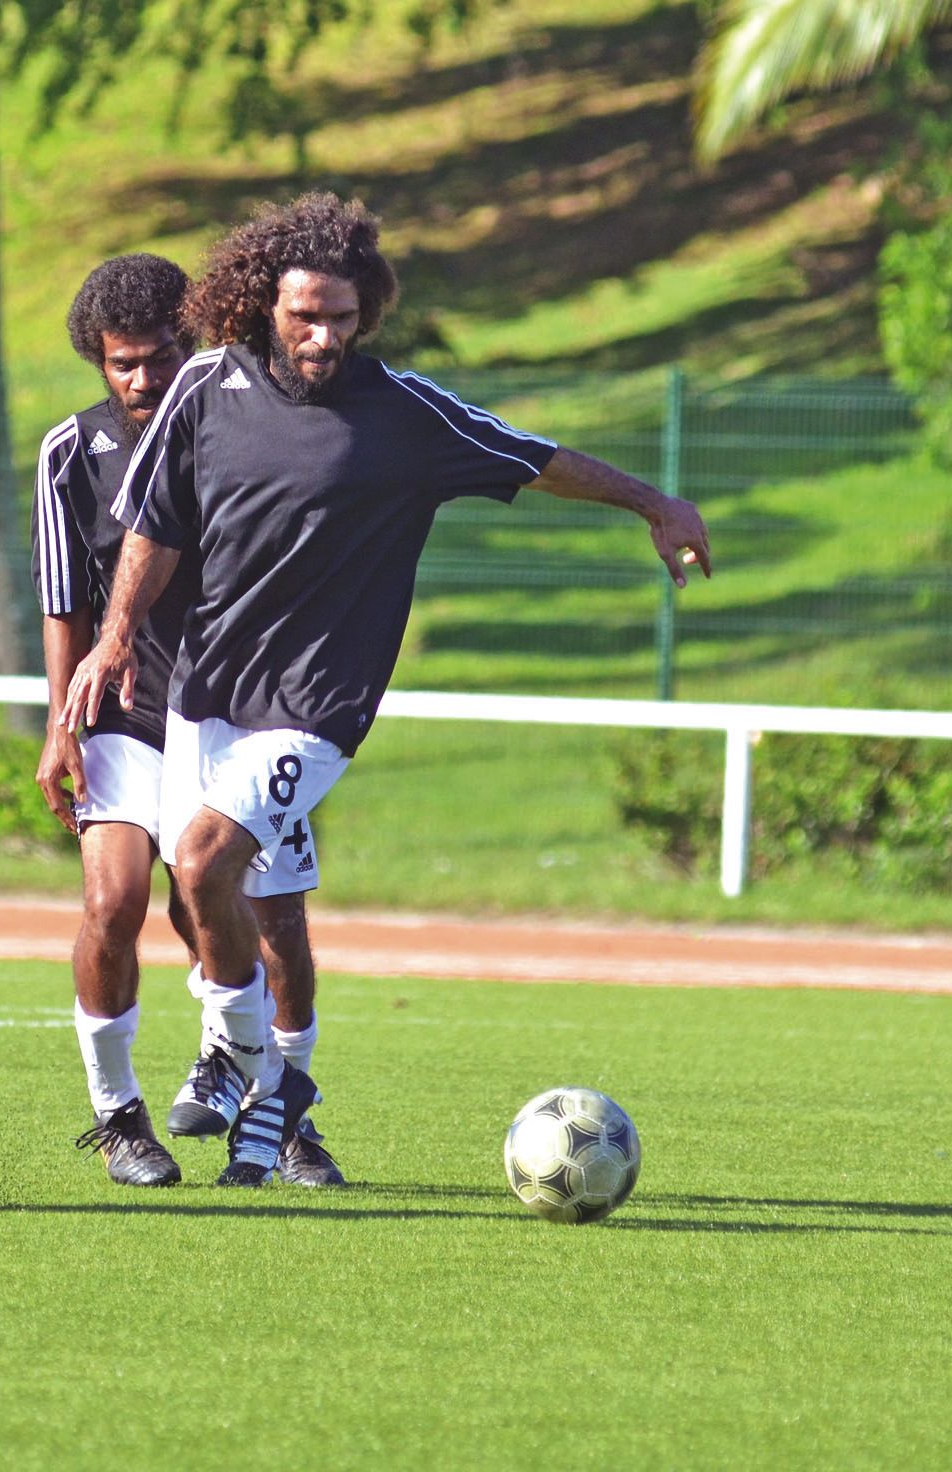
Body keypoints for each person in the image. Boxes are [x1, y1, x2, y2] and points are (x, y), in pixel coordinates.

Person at [61, 194, 712, 1178]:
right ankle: (271, 1093)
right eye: (304, 315)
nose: (323, 335)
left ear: (366, 311)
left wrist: (652, 502)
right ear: (263, 303)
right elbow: (154, 524)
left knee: (201, 865)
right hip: (206, 691)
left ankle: (241, 1061)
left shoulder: (405, 413)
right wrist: (113, 638)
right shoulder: (204, 385)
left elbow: (535, 458)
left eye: (341, 316)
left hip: (317, 705)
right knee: (208, 902)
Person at [34, 254, 342, 1189]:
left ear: (196, 341)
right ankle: (117, 1115)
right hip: (125, 710)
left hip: (245, 708)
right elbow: (64, 604)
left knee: (270, 922)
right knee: (112, 901)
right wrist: (59, 724)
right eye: (120, 363)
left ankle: (281, 1113)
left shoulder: (253, 428)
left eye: (159, 356)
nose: (140, 379)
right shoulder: (69, 452)